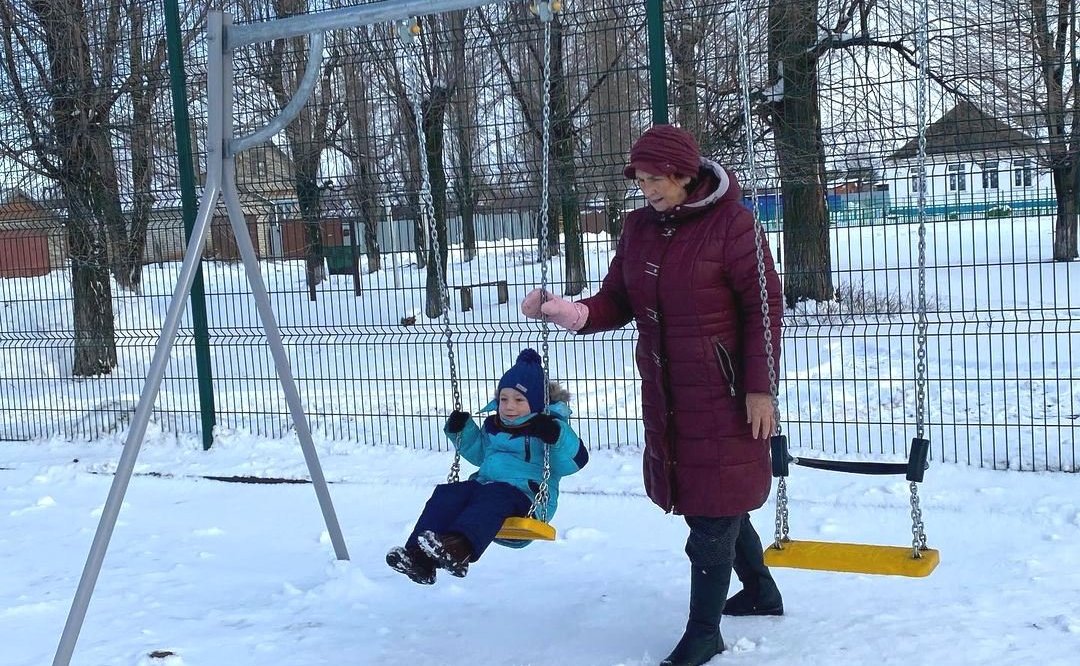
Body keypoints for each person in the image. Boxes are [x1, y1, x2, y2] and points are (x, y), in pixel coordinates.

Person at [521, 124, 784, 666]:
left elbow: (764, 310)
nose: (647, 190)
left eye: (656, 180)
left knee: (714, 508)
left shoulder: (733, 225)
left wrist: (760, 389)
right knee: (709, 497)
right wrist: (575, 313)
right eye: (640, 181)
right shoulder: (639, 228)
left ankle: (703, 632)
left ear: (685, 175)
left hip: (727, 390)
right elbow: (620, 297)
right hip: (667, 388)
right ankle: (760, 591)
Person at [386, 348, 589, 585]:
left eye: (519, 400)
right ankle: (419, 557)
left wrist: (556, 435)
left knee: (495, 495)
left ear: (536, 402)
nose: (509, 406)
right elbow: (480, 453)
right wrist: (462, 430)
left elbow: (574, 462)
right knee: (449, 493)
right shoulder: (494, 425)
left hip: (526, 498)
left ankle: (459, 550)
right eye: (504, 399)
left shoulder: (549, 427)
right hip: (485, 488)